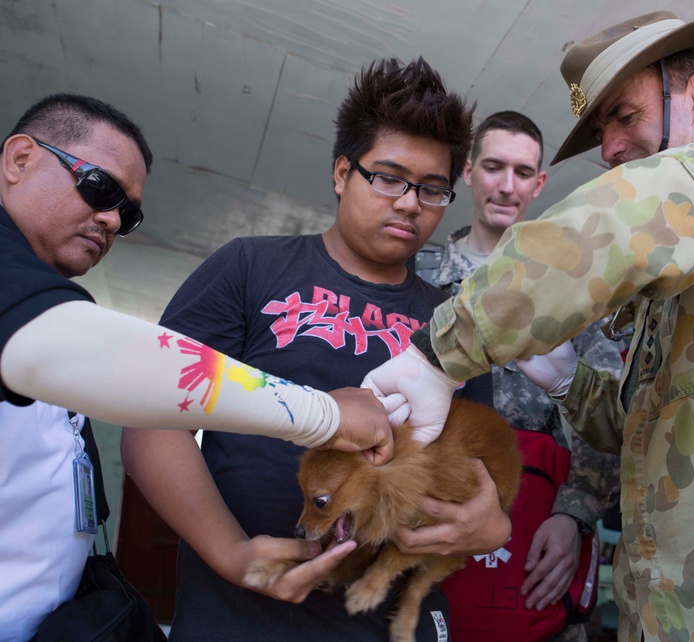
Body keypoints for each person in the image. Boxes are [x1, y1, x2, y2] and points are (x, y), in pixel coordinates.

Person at [362, 10, 694, 641]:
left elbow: (620, 218)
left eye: (625, 116)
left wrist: (438, 353)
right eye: (602, 132)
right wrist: (571, 382)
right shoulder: (671, 282)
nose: (611, 148)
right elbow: (645, 434)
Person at [0, 94, 394, 642]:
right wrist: (324, 414)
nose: (112, 218)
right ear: (20, 159)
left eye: (128, 212)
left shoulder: (19, 288)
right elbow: (84, 353)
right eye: (100, 187)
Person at [119, 58, 508, 641]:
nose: (410, 203)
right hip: (240, 617)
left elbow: (483, 465)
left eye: (432, 189)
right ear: (341, 172)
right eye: (389, 177)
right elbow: (151, 417)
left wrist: (491, 524)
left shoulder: (455, 324)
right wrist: (233, 555)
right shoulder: (251, 267)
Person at [415, 110, 623, 642]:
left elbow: (610, 415)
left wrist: (574, 515)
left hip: (535, 548)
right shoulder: (417, 279)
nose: (507, 186)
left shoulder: (573, 295)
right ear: (467, 171)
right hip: (425, 537)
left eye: (523, 172)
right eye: (493, 167)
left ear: (540, 182)